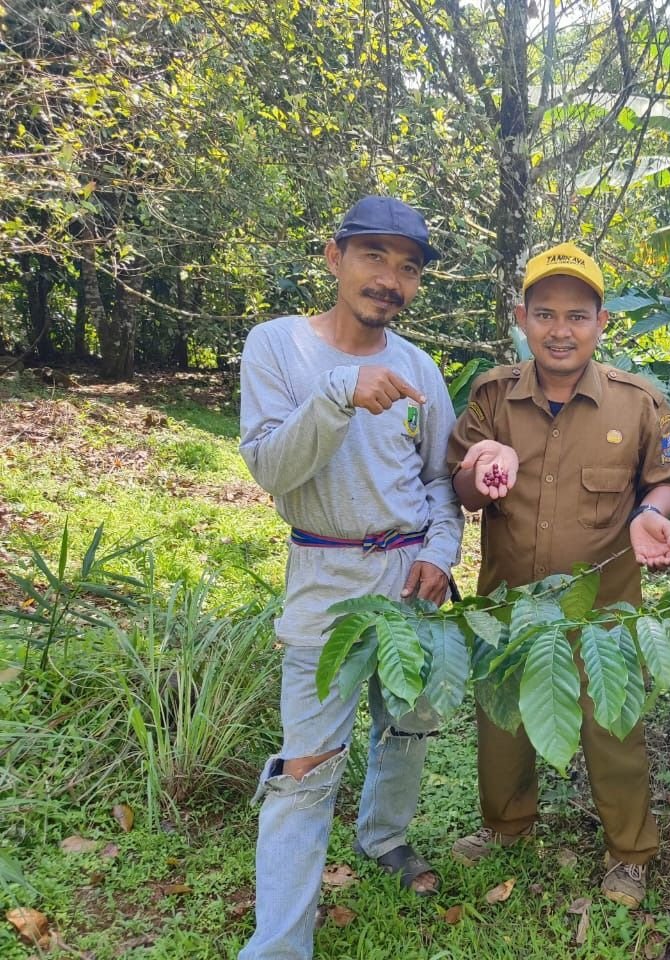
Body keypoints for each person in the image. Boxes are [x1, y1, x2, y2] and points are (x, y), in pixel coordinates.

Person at [237, 196, 463, 960]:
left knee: (409, 723)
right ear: (335, 259)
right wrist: (340, 394)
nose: (389, 279)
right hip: (324, 574)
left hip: (409, 577)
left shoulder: (420, 367)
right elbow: (272, 467)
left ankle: (384, 839)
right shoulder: (278, 348)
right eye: (374, 256)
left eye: (407, 267)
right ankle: (279, 945)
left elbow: (440, 481)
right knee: (306, 766)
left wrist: (442, 551)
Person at [446, 242, 670, 909]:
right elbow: (462, 488)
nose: (561, 329)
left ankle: (630, 853)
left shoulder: (638, 403)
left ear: (601, 322)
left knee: (613, 731)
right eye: (546, 313)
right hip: (507, 607)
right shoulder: (492, 396)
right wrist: (479, 472)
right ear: (521, 317)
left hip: (603, 611)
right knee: (504, 724)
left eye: (577, 315)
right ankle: (506, 828)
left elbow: (668, 482)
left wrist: (648, 513)